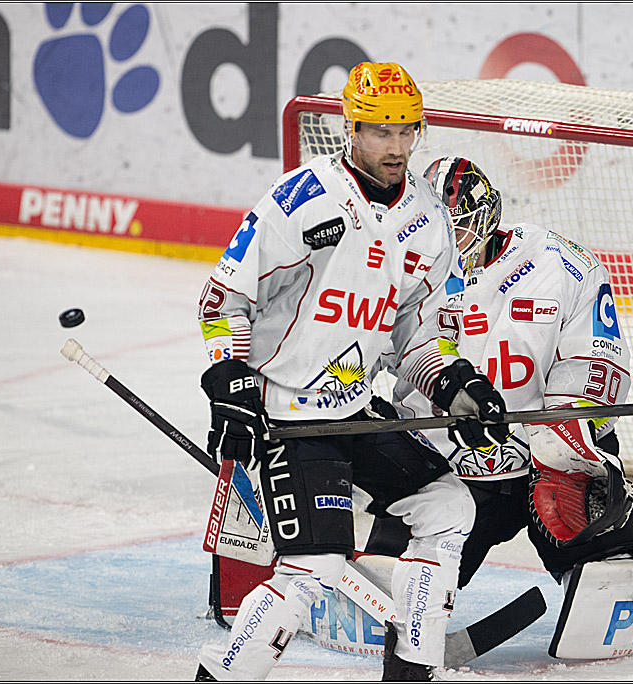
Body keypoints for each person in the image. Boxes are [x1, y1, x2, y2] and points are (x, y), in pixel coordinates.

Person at [193, 65, 509, 682]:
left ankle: (412, 669)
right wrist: (229, 378)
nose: (395, 147)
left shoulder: (428, 218)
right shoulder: (302, 199)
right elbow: (223, 298)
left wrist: (454, 384)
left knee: (448, 507)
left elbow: (414, 335)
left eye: (406, 131)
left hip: (354, 409)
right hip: (290, 416)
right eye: (379, 132)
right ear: (351, 129)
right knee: (312, 574)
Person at [365, 157, 633, 594]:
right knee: (390, 591)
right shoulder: (392, 272)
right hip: (442, 466)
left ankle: (608, 564)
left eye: (455, 230)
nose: (444, 247)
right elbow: (352, 354)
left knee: (610, 580)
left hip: (548, 461)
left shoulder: (561, 264)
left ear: (488, 219)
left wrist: (564, 440)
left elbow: (596, 363)